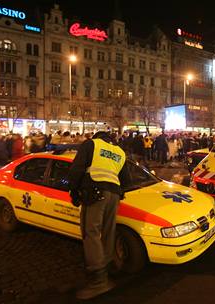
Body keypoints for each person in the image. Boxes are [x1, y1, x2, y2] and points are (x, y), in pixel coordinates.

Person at [68, 124, 128, 300]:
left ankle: (98, 281)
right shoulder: (120, 152)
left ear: (96, 137)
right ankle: (109, 266)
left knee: (90, 232)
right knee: (108, 232)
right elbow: (126, 179)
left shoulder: (91, 144)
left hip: (94, 193)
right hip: (114, 195)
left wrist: (73, 191)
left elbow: (76, 170)